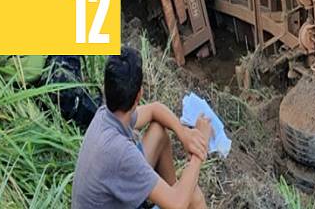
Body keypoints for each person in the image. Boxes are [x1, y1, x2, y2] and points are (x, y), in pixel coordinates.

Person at [72, 47, 213, 209]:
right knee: (193, 197)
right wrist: (199, 150)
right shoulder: (122, 152)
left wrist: (184, 134)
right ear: (139, 95)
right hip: (126, 178)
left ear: (107, 89)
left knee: (158, 132)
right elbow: (178, 204)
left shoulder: (105, 114)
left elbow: (155, 110)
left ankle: (168, 190)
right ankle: (171, 193)